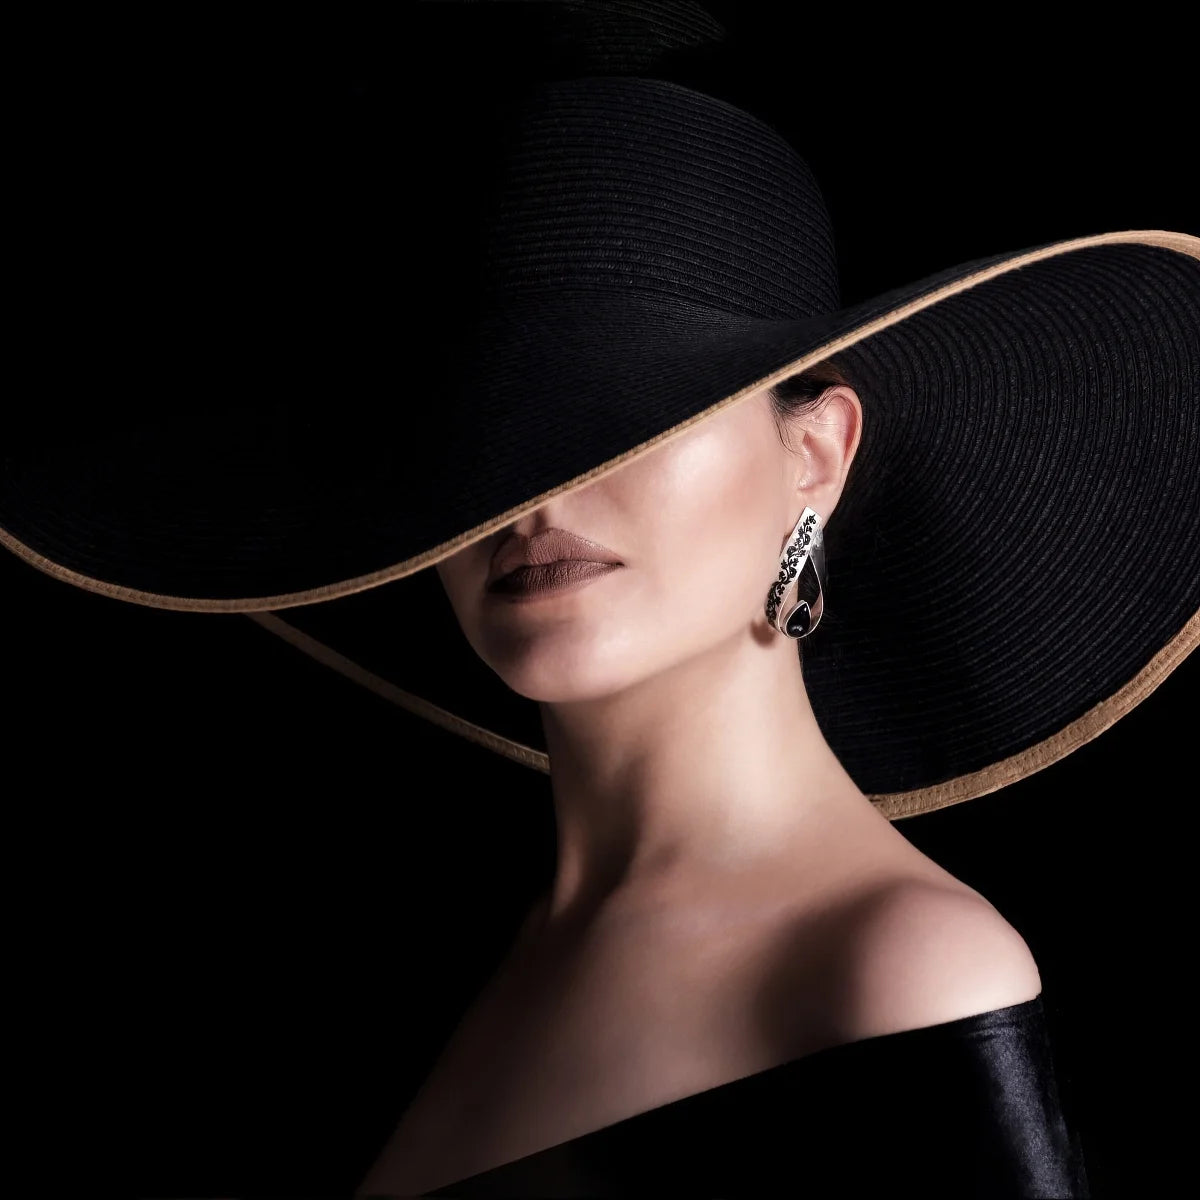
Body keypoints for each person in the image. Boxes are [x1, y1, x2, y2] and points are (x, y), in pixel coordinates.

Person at [3, 71, 1196, 1196]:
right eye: (486, 437)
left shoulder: (899, 972)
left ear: (815, 455)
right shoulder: (397, 959)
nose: (531, 501)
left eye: (625, 418)